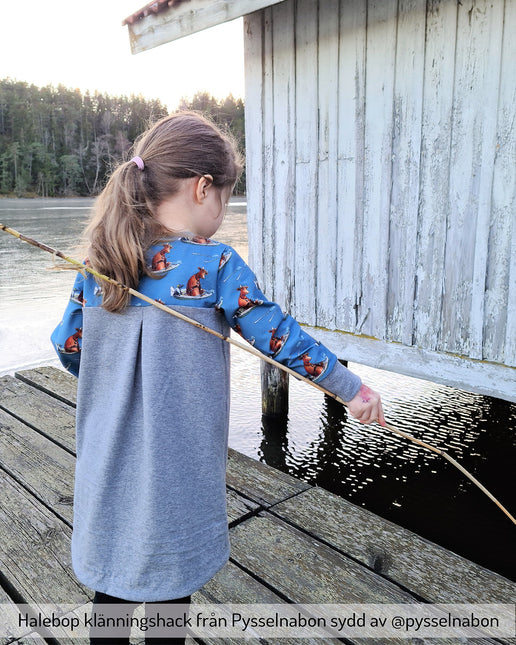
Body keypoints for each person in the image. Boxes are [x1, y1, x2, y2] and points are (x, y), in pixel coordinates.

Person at [51, 111, 385, 644]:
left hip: (106, 456)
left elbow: (68, 347)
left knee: (110, 590)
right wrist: (352, 389)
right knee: (170, 593)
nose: (223, 214)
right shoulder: (217, 263)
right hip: (178, 467)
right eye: (227, 199)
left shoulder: (102, 258)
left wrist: (118, 380)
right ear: (203, 188)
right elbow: (280, 338)